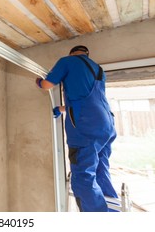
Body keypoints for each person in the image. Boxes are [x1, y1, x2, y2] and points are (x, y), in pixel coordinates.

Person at [35, 45, 118, 212]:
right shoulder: (98, 69)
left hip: (86, 130)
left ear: (71, 53)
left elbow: (46, 85)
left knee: (83, 178)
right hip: (106, 124)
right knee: (101, 169)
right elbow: (88, 100)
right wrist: (61, 109)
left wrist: (38, 81)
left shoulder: (67, 62)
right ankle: (113, 211)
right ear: (87, 55)